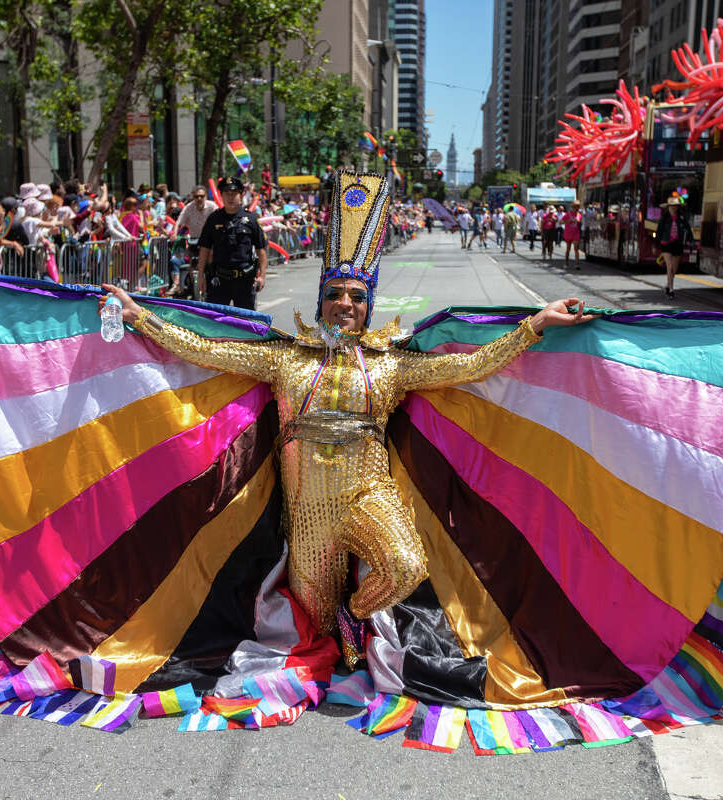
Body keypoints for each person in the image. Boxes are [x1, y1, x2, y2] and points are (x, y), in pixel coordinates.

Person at [101, 169, 594, 658]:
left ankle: (355, 618)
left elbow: (471, 365)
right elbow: (206, 349)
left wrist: (534, 325)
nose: (344, 304)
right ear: (320, 301)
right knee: (314, 626)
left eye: (357, 297)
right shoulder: (284, 356)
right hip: (307, 505)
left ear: (369, 307)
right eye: (334, 294)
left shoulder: (392, 365)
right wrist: (141, 317)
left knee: (403, 566)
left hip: (368, 493)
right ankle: (340, 635)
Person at [196, 176, 266, 310]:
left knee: (246, 323)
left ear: (241, 195)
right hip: (219, 280)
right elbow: (204, 249)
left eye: (234, 193)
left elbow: (261, 250)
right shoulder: (214, 219)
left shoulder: (250, 219)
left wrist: (262, 276)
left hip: (245, 280)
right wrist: (200, 276)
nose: (230, 197)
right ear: (221, 195)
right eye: (226, 194)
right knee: (216, 322)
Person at [657, 194, 694, 298]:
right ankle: (671, 290)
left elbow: (688, 229)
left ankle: (668, 285)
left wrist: (691, 240)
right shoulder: (664, 218)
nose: (673, 208)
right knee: (670, 266)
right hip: (666, 244)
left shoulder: (681, 218)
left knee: (674, 269)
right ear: (668, 207)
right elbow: (659, 231)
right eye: (671, 206)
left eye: (675, 206)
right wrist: (656, 244)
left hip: (678, 244)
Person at [561, 201, 582, 268]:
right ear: (573, 207)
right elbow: (561, 222)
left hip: (576, 233)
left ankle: (577, 264)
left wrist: (579, 222)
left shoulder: (579, 215)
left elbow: (581, 223)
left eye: (578, 207)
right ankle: (566, 262)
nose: (577, 208)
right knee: (568, 249)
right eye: (576, 207)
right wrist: (569, 221)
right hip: (568, 233)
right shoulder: (568, 214)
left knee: (576, 248)